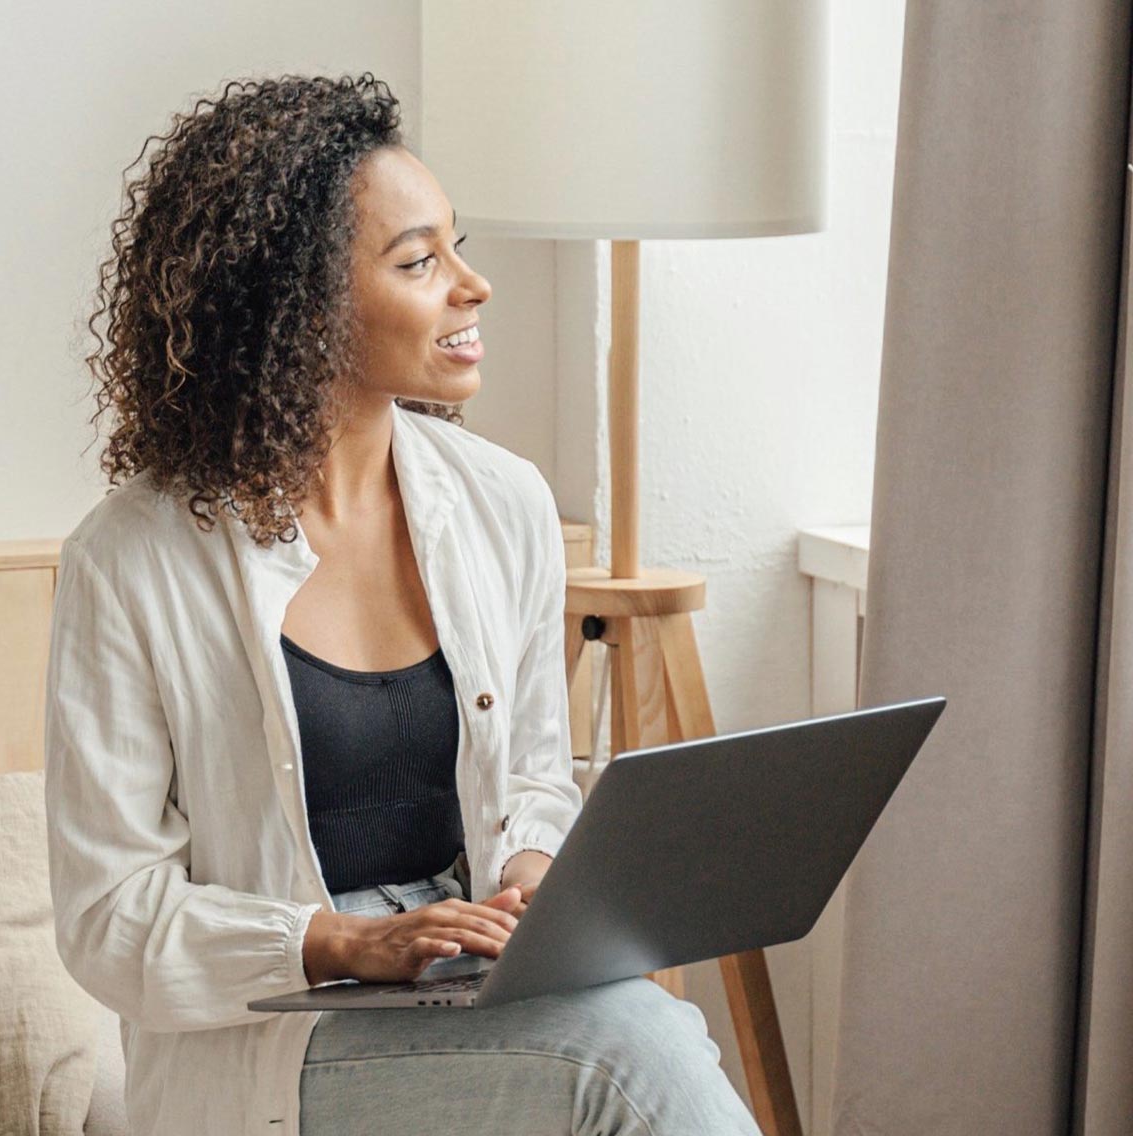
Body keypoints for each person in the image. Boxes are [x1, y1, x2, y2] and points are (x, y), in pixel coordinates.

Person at [44, 71, 761, 1136]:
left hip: (469, 979)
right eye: (419, 261)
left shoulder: (500, 501)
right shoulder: (133, 559)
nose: (472, 285)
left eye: (456, 247)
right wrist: (338, 942)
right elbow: (109, 919)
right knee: (628, 1055)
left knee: (641, 1029)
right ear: (295, 306)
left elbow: (529, 775)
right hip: (276, 1040)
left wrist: (526, 874)